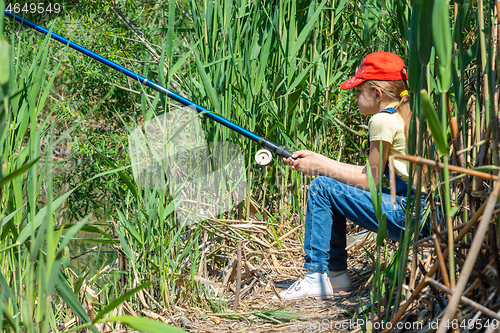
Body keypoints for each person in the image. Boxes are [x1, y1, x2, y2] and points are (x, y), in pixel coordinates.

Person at [274, 51, 424, 301]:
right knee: (329, 184)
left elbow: (371, 183)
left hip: (408, 214)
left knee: (322, 186)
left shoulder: (381, 121)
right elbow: (368, 173)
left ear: (377, 94)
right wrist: (316, 158)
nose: (355, 97)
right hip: (425, 210)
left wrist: (319, 170)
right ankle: (336, 277)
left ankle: (316, 277)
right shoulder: (407, 113)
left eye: (358, 91)